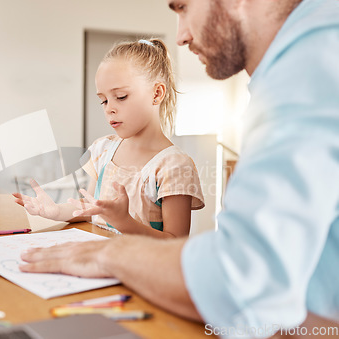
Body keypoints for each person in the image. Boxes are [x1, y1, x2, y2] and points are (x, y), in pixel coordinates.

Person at [19, 0, 339, 337]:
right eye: (104, 100)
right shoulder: (299, 65)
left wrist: (110, 252)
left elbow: (239, 284)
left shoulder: (311, 68)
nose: (181, 37)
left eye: (183, 7)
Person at [13, 38, 204, 238]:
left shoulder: (174, 166)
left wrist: (125, 223)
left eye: (121, 97)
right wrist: (55, 212)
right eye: (103, 100)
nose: (109, 109)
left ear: (156, 93)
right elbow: (91, 208)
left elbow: (177, 244)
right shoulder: (103, 149)